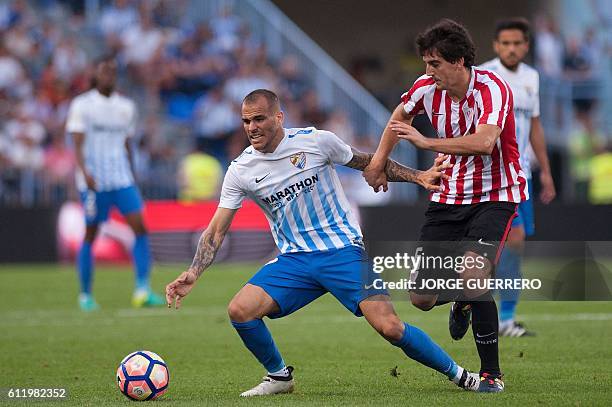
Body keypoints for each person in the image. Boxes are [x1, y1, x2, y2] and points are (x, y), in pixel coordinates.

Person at [166, 89, 482, 397]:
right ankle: (279, 375)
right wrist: (193, 273)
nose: (252, 128)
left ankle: (460, 375)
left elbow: (368, 162)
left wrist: (419, 177)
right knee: (240, 310)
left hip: (342, 250)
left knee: (390, 327)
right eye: (246, 121)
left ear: (278, 117)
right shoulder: (240, 170)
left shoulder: (317, 142)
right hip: (295, 260)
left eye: (259, 119)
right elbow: (216, 231)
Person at [364, 19, 528, 393]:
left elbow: (485, 142)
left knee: (474, 276)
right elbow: (398, 118)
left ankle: (491, 375)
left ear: (458, 62)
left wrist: (426, 143)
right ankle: (463, 302)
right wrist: (377, 163)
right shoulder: (425, 88)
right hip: (449, 195)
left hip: (495, 194)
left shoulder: (493, 89)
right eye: (425, 63)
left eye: (434, 63)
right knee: (421, 298)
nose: (427, 71)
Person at [65, 56, 164, 311]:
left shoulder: (126, 107)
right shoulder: (82, 105)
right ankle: (85, 295)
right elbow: (75, 142)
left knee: (140, 229)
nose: (108, 76)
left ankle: (142, 290)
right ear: (95, 75)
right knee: (91, 234)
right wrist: (83, 172)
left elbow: (127, 142)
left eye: (112, 72)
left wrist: (133, 172)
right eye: (104, 72)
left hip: (121, 179)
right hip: (93, 182)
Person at [480, 18, 556, 337]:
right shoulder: (484, 76)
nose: (511, 49)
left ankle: (505, 318)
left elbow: (534, 125)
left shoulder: (531, 78)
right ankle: (473, 305)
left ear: (526, 46)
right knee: (497, 244)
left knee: (515, 244)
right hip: (489, 175)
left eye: (517, 43)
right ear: (496, 47)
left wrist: (547, 172)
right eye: (505, 43)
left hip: (520, 176)